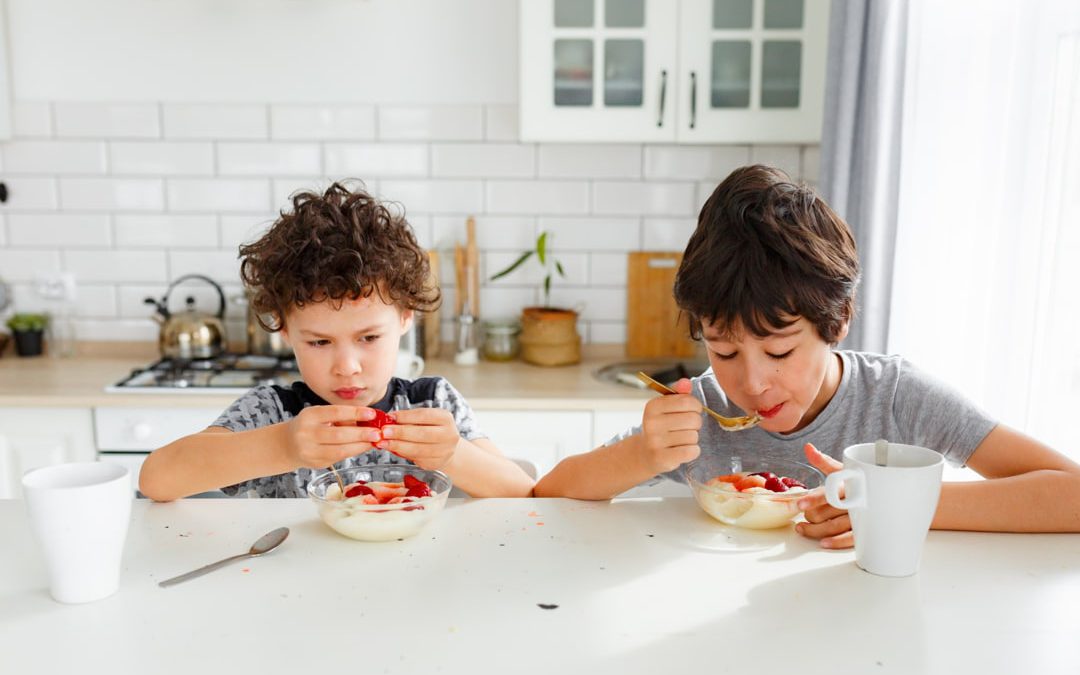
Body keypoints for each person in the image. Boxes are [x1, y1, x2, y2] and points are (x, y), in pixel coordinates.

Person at [534, 165, 1080, 547]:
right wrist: (643, 457)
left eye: (779, 350)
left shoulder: (895, 399)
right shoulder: (703, 409)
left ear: (837, 321)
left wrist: (889, 507)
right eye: (723, 350)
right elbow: (550, 494)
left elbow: (1071, 496)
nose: (750, 383)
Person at [140, 182, 535, 501]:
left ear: (405, 318)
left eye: (368, 337)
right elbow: (156, 480)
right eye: (318, 343)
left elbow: (523, 493)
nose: (347, 366)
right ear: (283, 330)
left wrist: (453, 454)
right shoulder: (272, 414)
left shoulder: (433, 403)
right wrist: (283, 446)